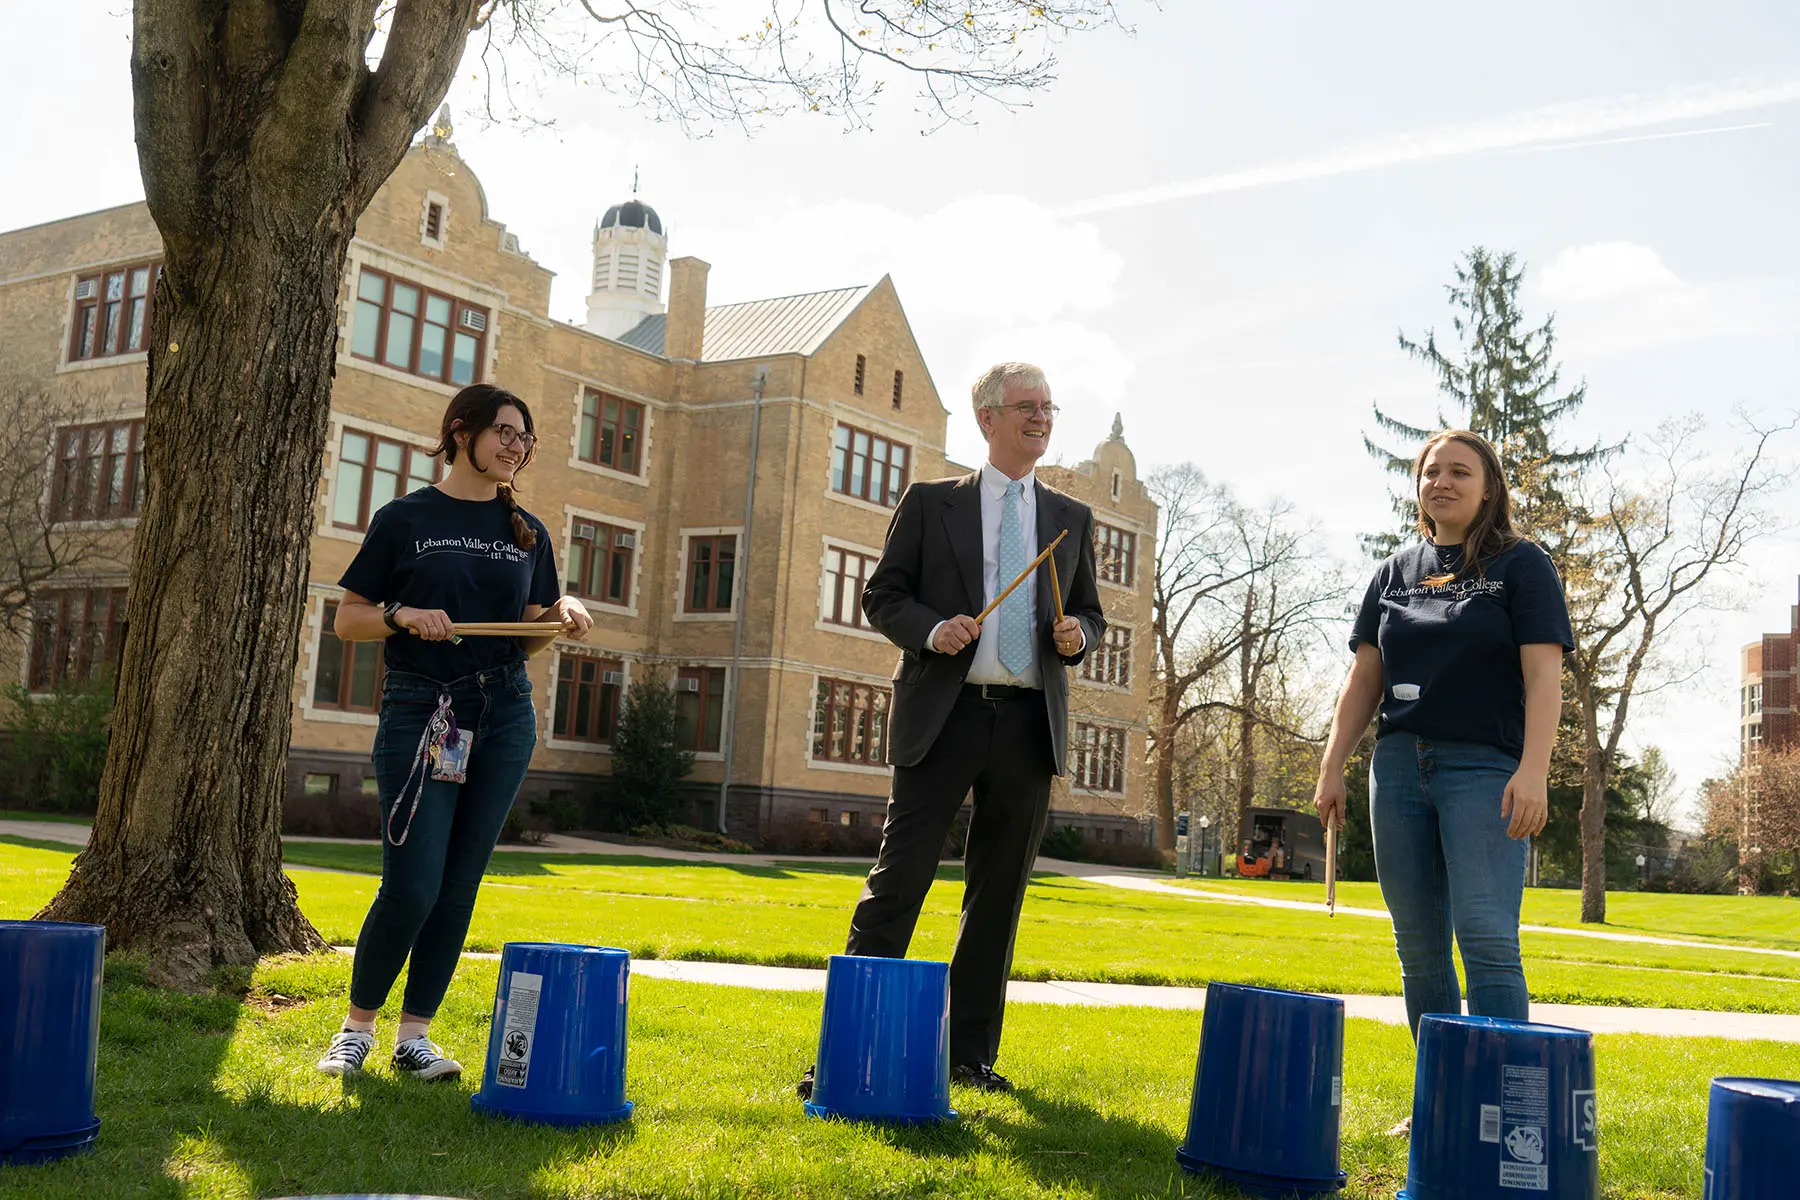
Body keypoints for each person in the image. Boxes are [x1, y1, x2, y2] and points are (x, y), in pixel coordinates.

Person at [799, 362, 1106, 1097]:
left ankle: (967, 1058)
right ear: (987, 418)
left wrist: (1078, 637)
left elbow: (1090, 612)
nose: (1041, 417)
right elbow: (883, 596)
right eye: (1027, 406)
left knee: (996, 899)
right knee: (896, 884)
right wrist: (932, 630)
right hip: (945, 718)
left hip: (1030, 724)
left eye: (1048, 407)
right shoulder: (932, 502)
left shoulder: (1071, 518)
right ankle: (845, 1049)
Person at [315, 383, 593, 1080]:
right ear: (461, 432)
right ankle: (355, 1030)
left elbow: (524, 637)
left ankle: (416, 1038)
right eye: (504, 431)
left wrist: (561, 615)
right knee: (412, 883)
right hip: (422, 708)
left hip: (503, 712)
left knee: (459, 883)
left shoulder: (528, 530)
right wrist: (403, 615)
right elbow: (349, 620)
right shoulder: (406, 517)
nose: (515, 446)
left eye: (524, 438)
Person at [1314, 429, 1571, 1045]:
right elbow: (1364, 679)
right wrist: (1331, 768)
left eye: (1460, 472)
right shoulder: (1394, 573)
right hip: (1398, 768)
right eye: (1432, 472)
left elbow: (1543, 677)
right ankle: (1441, 1103)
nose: (1443, 483)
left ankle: (1506, 1104)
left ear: (1488, 490)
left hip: (1486, 770)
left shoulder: (1522, 565)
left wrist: (1534, 769)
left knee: (1486, 938)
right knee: (1420, 949)